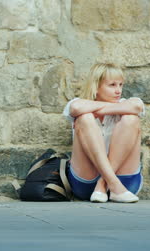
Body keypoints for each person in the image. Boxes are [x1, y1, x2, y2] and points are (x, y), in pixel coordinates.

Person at [62, 63, 145, 203]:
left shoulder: (126, 103)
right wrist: (115, 108)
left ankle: (104, 184)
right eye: (112, 85)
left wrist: (104, 109)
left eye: (121, 85)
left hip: (125, 183)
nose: (118, 90)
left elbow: (137, 106)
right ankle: (112, 186)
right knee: (84, 118)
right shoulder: (80, 103)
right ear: (96, 86)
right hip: (86, 182)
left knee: (131, 119)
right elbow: (76, 108)